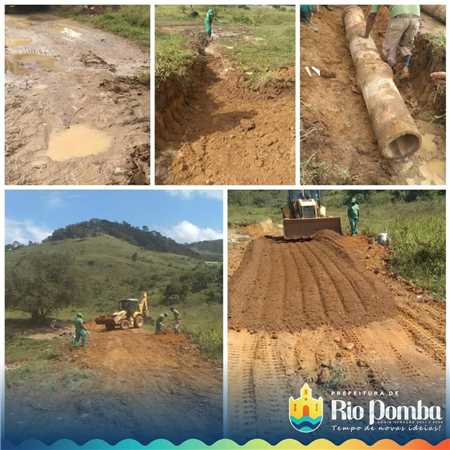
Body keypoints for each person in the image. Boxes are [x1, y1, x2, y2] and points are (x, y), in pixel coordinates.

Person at [363, 5, 420, 80]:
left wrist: (366, 34)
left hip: (399, 19)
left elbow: (372, 15)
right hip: (415, 19)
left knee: (389, 48)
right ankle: (405, 67)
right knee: (406, 46)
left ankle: (389, 73)